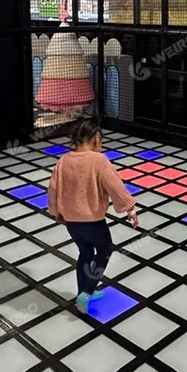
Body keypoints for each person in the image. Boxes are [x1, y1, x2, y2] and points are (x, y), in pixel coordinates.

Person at [47, 118, 138, 313]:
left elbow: (53, 188)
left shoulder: (63, 161)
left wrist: (56, 213)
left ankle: (84, 292)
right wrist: (130, 207)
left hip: (72, 222)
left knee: (85, 254)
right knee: (105, 251)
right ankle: (86, 293)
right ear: (96, 138)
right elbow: (115, 186)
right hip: (93, 222)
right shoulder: (99, 161)